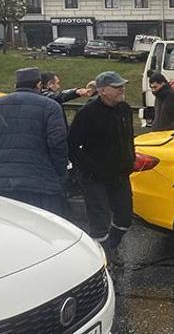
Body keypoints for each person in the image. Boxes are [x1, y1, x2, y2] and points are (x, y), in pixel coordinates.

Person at [0, 67, 68, 215]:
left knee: (8, 226)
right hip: (40, 180)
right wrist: (59, 172)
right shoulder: (50, 107)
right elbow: (58, 143)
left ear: (15, 85)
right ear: (38, 85)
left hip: (1, 180)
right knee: (41, 228)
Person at [68, 71, 135, 257]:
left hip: (120, 174)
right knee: (100, 220)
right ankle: (101, 256)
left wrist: (131, 160)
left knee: (125, 218)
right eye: (117, 87)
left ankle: (111, 246)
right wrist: (90, 169)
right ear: (103, 91)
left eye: (122, 85)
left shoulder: (125, 110)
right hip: (95, 177)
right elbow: (72, 146)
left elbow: (129, 139)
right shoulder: (88, 114)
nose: (122, 89)